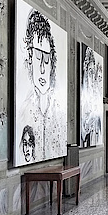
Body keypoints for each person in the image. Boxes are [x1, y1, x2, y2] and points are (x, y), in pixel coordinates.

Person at [19, 10, 65, 162]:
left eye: (46, 60)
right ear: (30, 58)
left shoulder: (59, 110)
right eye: (38, 57)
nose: (42, 69)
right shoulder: (24, 109)